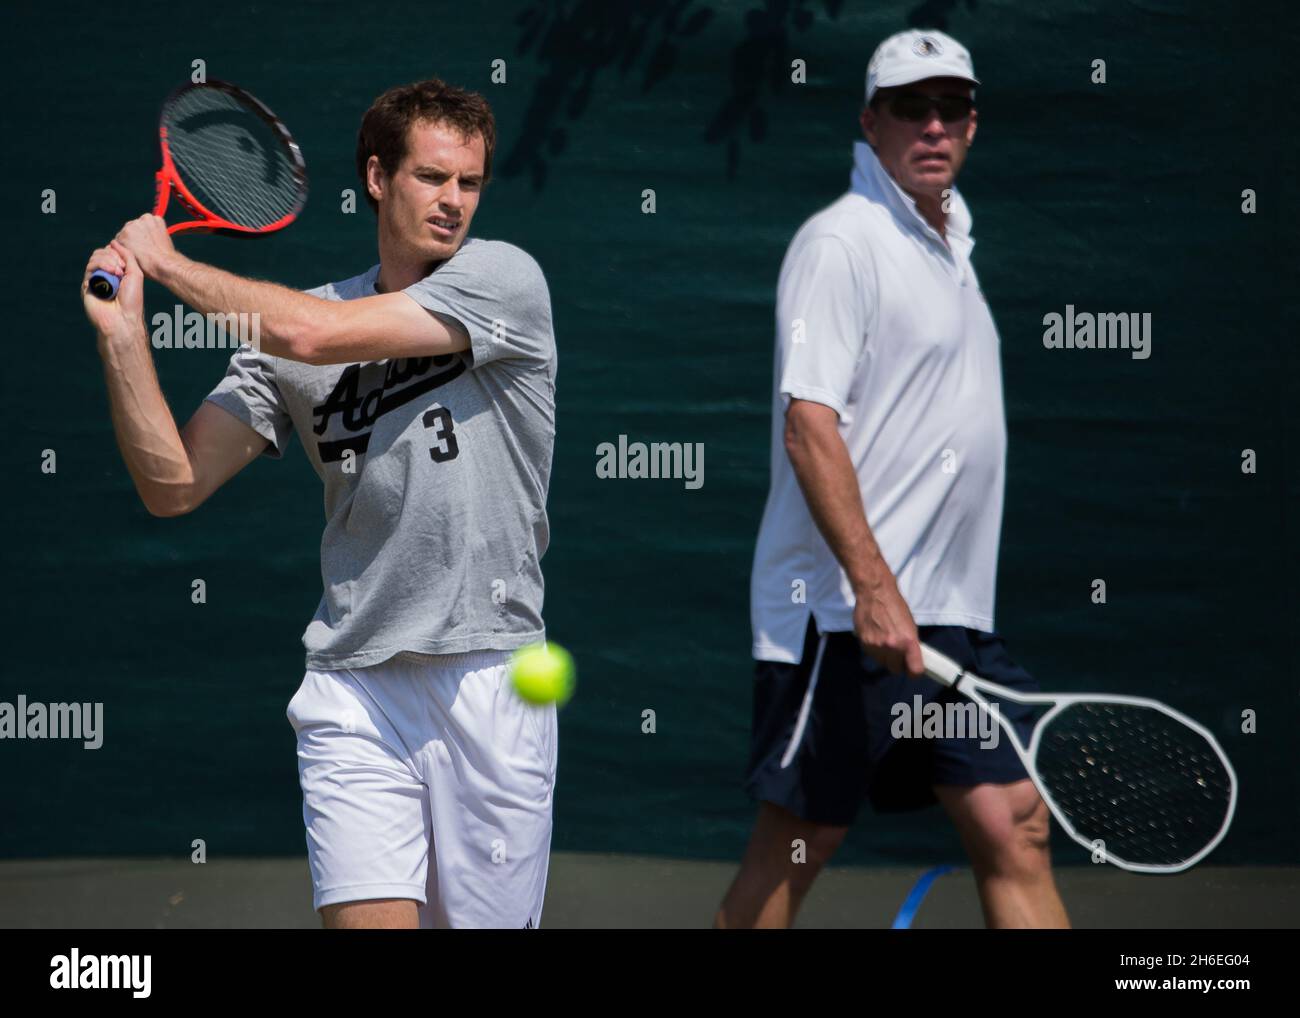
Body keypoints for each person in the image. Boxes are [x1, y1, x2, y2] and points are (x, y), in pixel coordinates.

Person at [82, 78, 558, 929]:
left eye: (470, 183)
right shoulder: (292, 340)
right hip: (353, 691)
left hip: (489, 680)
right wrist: (122, 337)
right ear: (377, 177)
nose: (453, 203)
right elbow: (172, 483)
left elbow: (313, 335)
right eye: (431, 177)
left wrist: (169, 263)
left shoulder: (504, 280)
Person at [717, 29, 1070, 929]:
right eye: (912, 106)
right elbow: (809, 425)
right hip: (842, 614)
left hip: (951, 617)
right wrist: (875, 589)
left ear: (974, 125)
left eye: (952, 107)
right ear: (871, 121)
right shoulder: (843, 243)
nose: (934, 125)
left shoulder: (950, 248)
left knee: (1014, 821)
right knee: (798, 845)